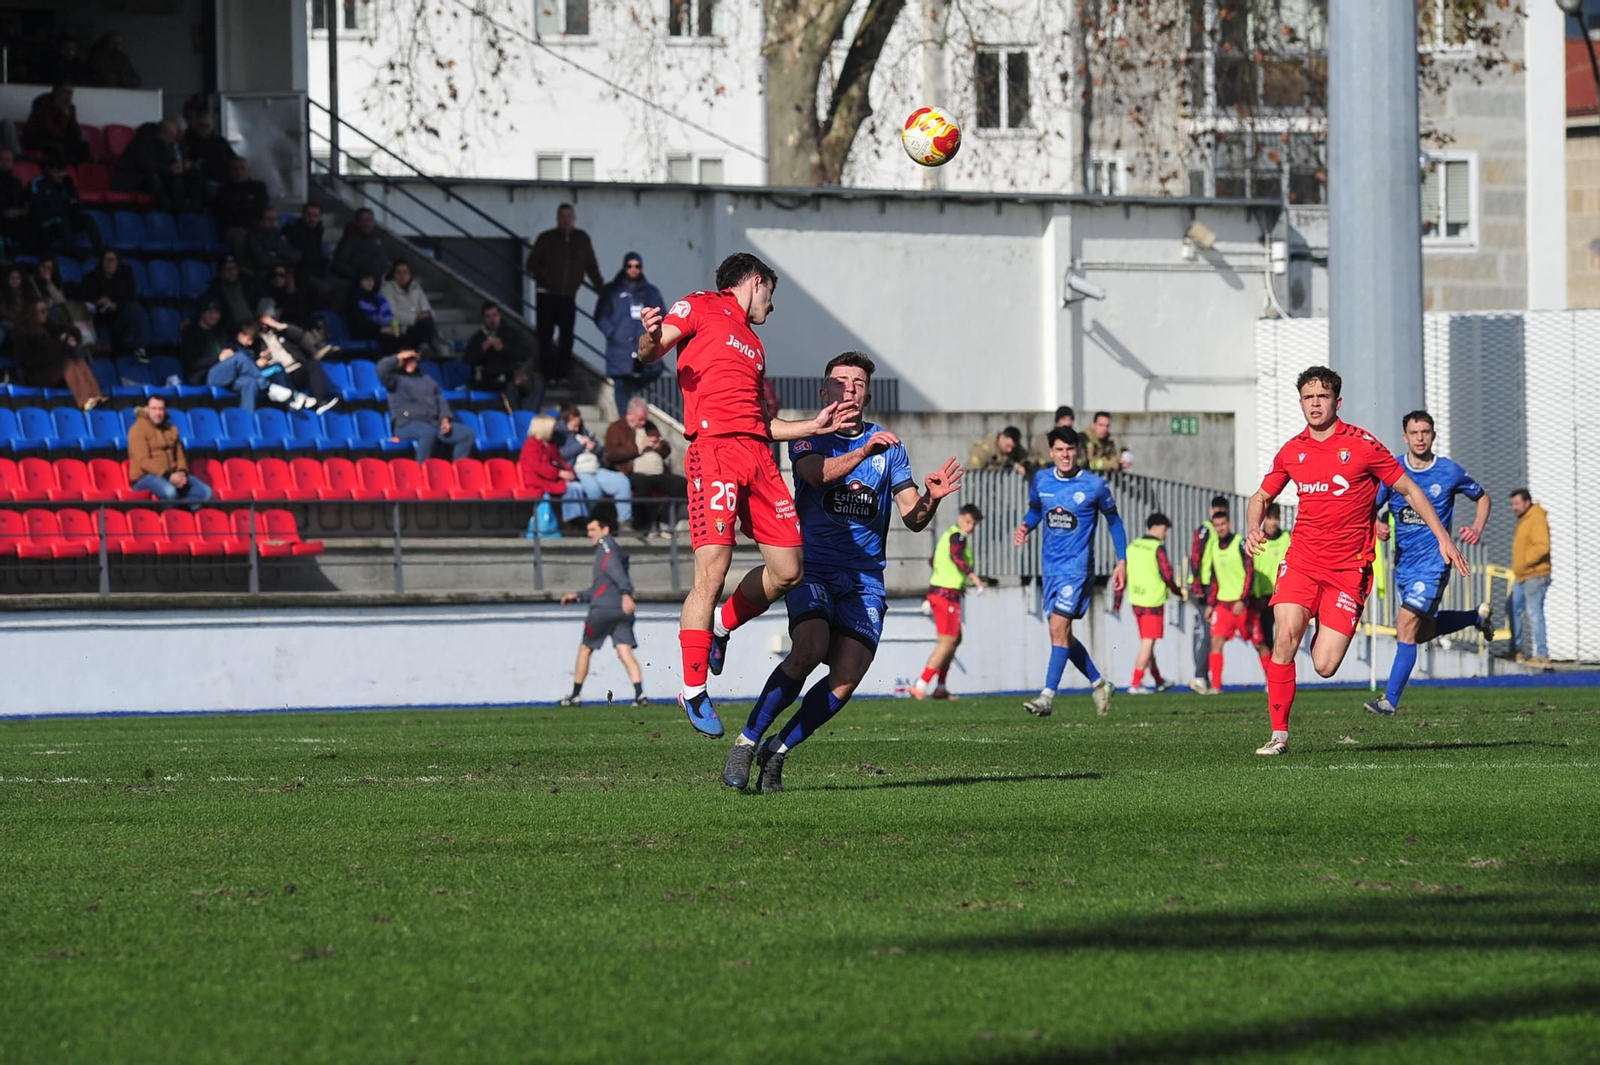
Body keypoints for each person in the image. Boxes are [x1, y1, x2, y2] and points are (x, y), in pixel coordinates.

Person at [719, 351, 964, 792]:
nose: (849, 389)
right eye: (840, 381)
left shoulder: (890, 448)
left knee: (846, 681)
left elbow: (912, 516)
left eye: (857, 383)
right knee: (809, 648)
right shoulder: (809, 435)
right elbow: (817, 476)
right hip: (811, 567)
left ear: (868, 393)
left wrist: (933, 498)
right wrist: (864, 450)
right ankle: (746, 742)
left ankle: (777, 751)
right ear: (824, 391)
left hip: (865, 579)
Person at [636, 251, 855, 737]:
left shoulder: (754, 346)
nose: (771, 307)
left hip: (758, 458)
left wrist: (811, 425)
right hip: (713, 452)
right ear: (757, 282)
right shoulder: (698, 306)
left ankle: (720, 627)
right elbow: (653, 350)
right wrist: (650, 338)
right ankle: (692, 691)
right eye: (771, 294)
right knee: (710, 572)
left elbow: (760, 422)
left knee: (789, 570)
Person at [1244, 366, 1467, 757]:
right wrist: (1252, 527)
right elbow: (1260, 497)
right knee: (1283, 639)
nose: (1315, 404)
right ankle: (1279, 735)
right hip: (1302, 563)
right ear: (1301, 403)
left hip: (1349, 570)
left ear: (1337, 402)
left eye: (1323, 397)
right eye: (1308, 397)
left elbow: (1410, 489)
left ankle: (1319, 623)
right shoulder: (1292, 450)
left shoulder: (1362, 445)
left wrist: (1443, 536)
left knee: (1325, 665)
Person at [1365, 410, 1494, 716]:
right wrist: (1376, 526)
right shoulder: (1393, 468)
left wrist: (1477, 527)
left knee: (1404, 626)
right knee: (1419, 633)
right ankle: (1474, 618)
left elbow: (1483, 497)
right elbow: (1371, 507)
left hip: (1435, 564)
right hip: (1404, 567)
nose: (1420, 438)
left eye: (1425, 432)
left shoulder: (1448, 471)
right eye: (1414, 432)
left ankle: (1390, 701)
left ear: (1433, 435)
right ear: (1405, 437)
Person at [1013, 429, 1126, 717]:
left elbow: (1113, 521)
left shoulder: (1094, 485)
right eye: (1060, 449)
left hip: (1077, 569)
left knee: (1057, 630)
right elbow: (1037, 510)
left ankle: (1047, 697)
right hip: (1049, 568)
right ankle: (1100, 683)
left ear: (1078, 451)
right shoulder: (1041, 480)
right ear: (1051, 452)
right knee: (1062, 635)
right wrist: (1026, 526)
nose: (1065, 455)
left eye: (1070, 449)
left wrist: (1122, 560)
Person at [556, 509, 648, 708]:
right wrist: (579, 595)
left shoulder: (605, 544)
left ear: (605, 529)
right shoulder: (612, 549)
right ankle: (640, 695)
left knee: (585, 649)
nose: (589, 534)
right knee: (624, 651)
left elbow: (612, 567)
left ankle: (575, 696)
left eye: (593, 529)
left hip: (603, 609)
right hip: (621, 610)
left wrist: (625, 591)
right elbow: (600, 587)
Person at [911, 503, 985, 700]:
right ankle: (920, 685)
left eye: (973, 524)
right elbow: (956, 557)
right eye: (968, 521)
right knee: (947, 641)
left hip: (940, 593)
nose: (970, 527)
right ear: (961, 517)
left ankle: (941, 687)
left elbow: (932, 560)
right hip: (946, 595)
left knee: (955, 639)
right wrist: (973, 576)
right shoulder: (958, 537)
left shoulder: (948, 536)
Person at [526, 203, 602, 384]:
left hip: (568, 296)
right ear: (557, 218)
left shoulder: (582, 239)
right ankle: (547, 374)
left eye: (569, 216)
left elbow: (591, 265)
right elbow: (531, 264)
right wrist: (548, 279)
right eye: (562, 216)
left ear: (574, 218)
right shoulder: (546, 238)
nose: (566, 220)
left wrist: (601, 288)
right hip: (546, 295)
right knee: (545, 336)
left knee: (567, 337)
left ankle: (562, 374)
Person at [594, 251, 666, 413]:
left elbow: (663, 315)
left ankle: (633, 394)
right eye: (630, 266)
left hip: (642, 343)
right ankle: (624, 422)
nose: (633, 269)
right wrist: (613, 333)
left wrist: (654, 333)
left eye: (637, 266)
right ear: (624, 267)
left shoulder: (650, 292)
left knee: (656, 368)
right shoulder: (612, 290)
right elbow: (601, 316)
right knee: (620, 383)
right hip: (619, 347)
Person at [1199, 507, 1259, 694]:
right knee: (1216, 642)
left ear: (1229, 524)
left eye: (1223, 524)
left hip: (1242, 605)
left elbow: (1250, 571)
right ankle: (1216, 687)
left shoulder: (1240, 544)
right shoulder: (1214, 548)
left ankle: (1272, 683)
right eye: (1216, 525)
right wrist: (1211, 603)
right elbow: (1215, 578)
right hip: (1223, 605)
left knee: (1260, 644)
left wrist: (1243, 599)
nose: (1220, 528)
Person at [377, 349, 475, 462]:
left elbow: (440, 401)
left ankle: (458, 470)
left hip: (432, 423)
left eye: (414, 360)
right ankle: (422, 469)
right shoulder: (394, 379)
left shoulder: (427, 380)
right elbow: (381, 369)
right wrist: (398, 357)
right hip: (406, 424)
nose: (411, 363)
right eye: (407, 360)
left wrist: (445, 419)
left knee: (467, 434)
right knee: (427, 432)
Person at [605, 398, 685, 534]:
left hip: (658, 473)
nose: (643, 423)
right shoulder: (616, 428)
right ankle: (646, 524)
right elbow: (612, 454)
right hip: (633, 471)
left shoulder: (650, 427)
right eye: (640, 419)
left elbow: (666, 449)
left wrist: (659, 446)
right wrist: (638, 448)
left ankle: (664, 520)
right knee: (642, 486)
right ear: (630, 414)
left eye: (644, 419)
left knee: (681, 485)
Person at [205, 320, 324, 413]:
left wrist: (260, 361)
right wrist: (219, 358)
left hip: (238, 380)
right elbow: (197, 364)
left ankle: (248, 421)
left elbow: (248, 369)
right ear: (241, 334)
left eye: (253, 339)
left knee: (251, 381)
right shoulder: (233, 347)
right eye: (249, 338)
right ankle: (273, 389)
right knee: (243, 359)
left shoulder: (250, 349)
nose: (251, 342)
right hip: (214, 376)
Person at [1124, 512, 1183, 694]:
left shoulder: (1133, 546)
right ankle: (1135, 683)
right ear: (1156, 528)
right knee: (1148, 642)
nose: (1165, 534)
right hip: (1153, 601)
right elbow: (1167, 573)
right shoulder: (1157, 547)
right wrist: (1177, 591)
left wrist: (1118, 600)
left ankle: (1158, 680)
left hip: (1136, 600)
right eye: (1165, 530)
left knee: (1147, 642)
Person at [11, 298, 102, 409]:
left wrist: (70, 338)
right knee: (68, 365)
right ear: (32, 313)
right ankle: (86, 402)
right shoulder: (24, 334)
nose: (46, 314)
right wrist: (63, 343)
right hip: (37, 373)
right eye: (42, 311)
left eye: (46, 310)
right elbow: (41, 357)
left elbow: (70, 330)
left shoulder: (48, 325)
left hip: (52, 369)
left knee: (79, 361)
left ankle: (96, 398)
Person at [558, 406, 633, 528]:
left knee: (622, 483)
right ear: (567, 420)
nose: (577, 429)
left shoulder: (584, 431)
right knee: (594, 490)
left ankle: (625, 522)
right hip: (578, 470)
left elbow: (602, 453)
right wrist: (580, 445)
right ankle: (582, 522)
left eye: (579, 425)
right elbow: (561, 454)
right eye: (574, 426)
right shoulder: (560, 435)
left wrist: (594, 448)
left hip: (596, 469)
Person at [127, 396, 210, 502]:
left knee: (205, 493)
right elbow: (143, 461)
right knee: (170, 492)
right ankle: (166, 516)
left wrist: (182, 473)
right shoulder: (137, 430)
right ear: (147, 409)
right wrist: (168, 475)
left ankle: (181, 514)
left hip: (172, 474)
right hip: (145, 477)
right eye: (154, 409)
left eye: (161, 409)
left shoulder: (172, 429)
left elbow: (180, 455)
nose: (158, 413)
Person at [1186, 495, 1230, 694]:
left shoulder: (1220, 531)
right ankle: (1200, 676)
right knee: (1207, 633)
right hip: (1202, 587)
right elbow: (1196, 555)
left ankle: (1204, 676)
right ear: (1211, 511)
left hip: (1212, 588)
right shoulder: (1206, 529)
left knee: (1210, 633)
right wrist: (1197, 584)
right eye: (1216, 509)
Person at [464, 302, 541, 412]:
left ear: (499, 316)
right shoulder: (478, 339)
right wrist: (482, 350)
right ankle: (517, 417)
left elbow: (525, 353)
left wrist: (503, 349)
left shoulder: (511, 333)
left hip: (513, 374)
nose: (492, 320)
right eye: (488, 316)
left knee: (537, 381)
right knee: (511, 388)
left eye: (495, 315)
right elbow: (468, 360)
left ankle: (529, 416)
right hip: (490, 379)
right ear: (483, 319)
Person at [519, 413, 593, 525]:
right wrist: (559, 473)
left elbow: (560, 460)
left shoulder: (551, 444)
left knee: (577, 486)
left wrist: (569, 472)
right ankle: (571, 521)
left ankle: (578, 520)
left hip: (552, 478)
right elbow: (539, 467)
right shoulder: (532, 445)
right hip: (539, 480)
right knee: (571, 488)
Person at [112, 120, 202, 211]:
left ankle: (186, 211)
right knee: (154, 178)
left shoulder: (164, 142)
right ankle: (168, 211)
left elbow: (168, 161)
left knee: (178, 178)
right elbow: (144, 164)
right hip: (130, 178)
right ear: (161, 135)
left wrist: (177, 166)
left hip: (151, 176)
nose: (172, 142)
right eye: (170, 139)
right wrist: (169, 169)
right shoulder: (143, 141)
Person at [77, 249, 148, 357]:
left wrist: (115, 305)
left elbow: (132, 298)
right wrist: (97, 302)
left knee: (134, 309)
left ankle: (140, 348)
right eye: (107, 260)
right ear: (102, 262)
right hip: (99, 321)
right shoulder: (91, 278)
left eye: (113, 260)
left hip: (118, 322)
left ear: (117, 262)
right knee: (104, 350)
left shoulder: (125, 277)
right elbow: (82, 300)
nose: (110, 264)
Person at [1508, 488, 1551, 666]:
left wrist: (1525, 561)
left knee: (1534, 613)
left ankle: (1542, 655)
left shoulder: (1536, 518)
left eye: (1517, 503)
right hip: (1523, 576)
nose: (1514, 508)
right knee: (1513, 610)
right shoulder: (1524, 519)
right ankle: (1516, 651)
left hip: (1535, 575)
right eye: (1513, 504)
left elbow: (1542, 546)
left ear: (1527, 502)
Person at [1248, 503, 1291, 661]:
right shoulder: (1258, 540)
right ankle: (1271, 674)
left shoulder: (1287, 537)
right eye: (1270, 518)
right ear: (1264, 519)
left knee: (1283, 637)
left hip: (1283, 595)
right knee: (1264, 638)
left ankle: (1280, 671)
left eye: (1276, 518)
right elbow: (1254, 569)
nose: (1273, 522)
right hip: (1263, 598)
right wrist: (1256, 594)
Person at [380, 260, 444, 357]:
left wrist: (423, 315)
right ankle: (424, 347)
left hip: (420, 324)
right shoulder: (386, 289)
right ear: (393, 274)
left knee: (428, 321)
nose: (402, 276)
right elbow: (391, 313)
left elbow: (426, 308)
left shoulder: (416, 287)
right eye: (399, 273)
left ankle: (426, 347)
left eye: (405, 272)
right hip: (399, 327)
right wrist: (415, 317)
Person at [29, 157, 88, 254]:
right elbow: (36, 211)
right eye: (57, 172)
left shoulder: (68, 183)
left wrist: (74, 205)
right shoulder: (38, 183)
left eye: (63, 171)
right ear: (49, 171)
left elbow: (77, 204)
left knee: (87, 219)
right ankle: (70, 251)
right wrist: (59, 210)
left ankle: (99, 250)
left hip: (66, 221)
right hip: (46, 224)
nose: (60, 175)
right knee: (62, 216)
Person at [211, 157, 269, 254]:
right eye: (234, 169)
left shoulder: (259, 187)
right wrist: (247, 204)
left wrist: (241, 205)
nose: (238, 172)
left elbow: (260, 207)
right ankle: (246, 268)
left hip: (257, 227)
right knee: (242, 239)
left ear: (249, 170)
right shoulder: (224, 190)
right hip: (236, 228)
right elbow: (226, 211)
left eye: (242, 168)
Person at [23, 85, 89, 164]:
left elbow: (77, 134)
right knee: (59, 148)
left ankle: (76, 172)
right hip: (36, 139)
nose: (68, 96)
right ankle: (58, 173)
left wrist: (69, 116)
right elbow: (51, 132)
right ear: (56, 93)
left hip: (57, 139)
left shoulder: (70, 108)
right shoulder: (44, 105)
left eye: (71, 93)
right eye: (65, 92)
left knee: (83, 147)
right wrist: (64, 116)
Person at [282, 203, 331, 297]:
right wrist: (323, 259)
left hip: (318, 272)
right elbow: (303, 256)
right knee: (324, 290)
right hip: (302, 274)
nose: (312, 219)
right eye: (309, 215)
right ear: (303, 215)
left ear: (320, 217)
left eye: (315, 216)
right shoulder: (294, 231)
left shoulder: (318, 231)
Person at [202, 255, 259, 335]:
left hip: (256, 326)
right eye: (228, 269)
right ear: (221, 272)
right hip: (234, 332)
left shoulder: (248, 283)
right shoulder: (215, 291)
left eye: (234, 268)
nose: (232, 272)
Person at [331, 208, 390, 283]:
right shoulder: (349, 240)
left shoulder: (377, 240)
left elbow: (383, 261)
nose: (366, 224)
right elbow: (339, 264)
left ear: (373, 222)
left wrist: (374, 276)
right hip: (354, 282)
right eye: (363, 220)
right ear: (357, 222)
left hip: (375, 281)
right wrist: (359, 277)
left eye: (369, 220)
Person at [180, 111, 236, 186]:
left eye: (207, 126)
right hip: (202, 182)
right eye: (201, 125)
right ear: (194, 126)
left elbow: (233, 158)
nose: (204, 129)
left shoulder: (220, 142)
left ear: (212, 127)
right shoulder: (187, 143)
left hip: (224, 181)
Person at [244, 208, 302, 278]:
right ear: (261, 220)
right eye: (269, 218)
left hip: (285, 272)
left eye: (275, 218)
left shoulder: (282, 236)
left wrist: (277, 254)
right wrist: (285, 261)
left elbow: (297, 255)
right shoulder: (253, 236)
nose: (273, 221)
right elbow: (262, 260)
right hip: (265, 273)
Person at [181, 301, 228, 382]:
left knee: (247, 382)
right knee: (239, 359)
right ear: (202, 313)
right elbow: (193, 363)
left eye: (216, 313)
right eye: (210, 312)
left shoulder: (220, 333)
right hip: (203, 375)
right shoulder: (191, 333)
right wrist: (218, 358)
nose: (213, 316)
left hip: (224, 373)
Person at [0, 148, 33, 253]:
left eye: (8, 160)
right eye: (1, 160)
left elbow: (24, 204)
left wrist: (23, 211)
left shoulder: (16, 182)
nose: (5, 163)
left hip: (19, 217)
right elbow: (5, 212)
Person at [967, 425, 1032, 475]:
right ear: (1002, 438)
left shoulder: (1015, 448)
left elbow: (1026, 458)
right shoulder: (985, 449)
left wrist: (1023, 466)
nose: (1010, 450)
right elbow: (972, 471)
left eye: (1013, 447)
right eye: (1008, 446)